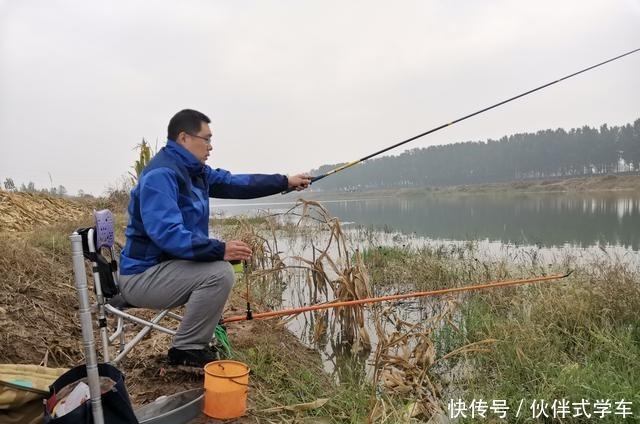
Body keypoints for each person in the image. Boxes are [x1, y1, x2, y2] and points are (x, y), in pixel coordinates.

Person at [118, 109, 311, 367]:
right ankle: (186, 350)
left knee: (220, 268)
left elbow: (237, 183)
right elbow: (168, 234)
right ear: (184, 138)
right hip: (142, 276)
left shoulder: (195, 172)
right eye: (207, 139)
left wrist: (285, 181)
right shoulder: (161, 176)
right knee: (220, 272)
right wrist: (220, 249)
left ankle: (199, 332)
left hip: (166, 267)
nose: (211, 146)